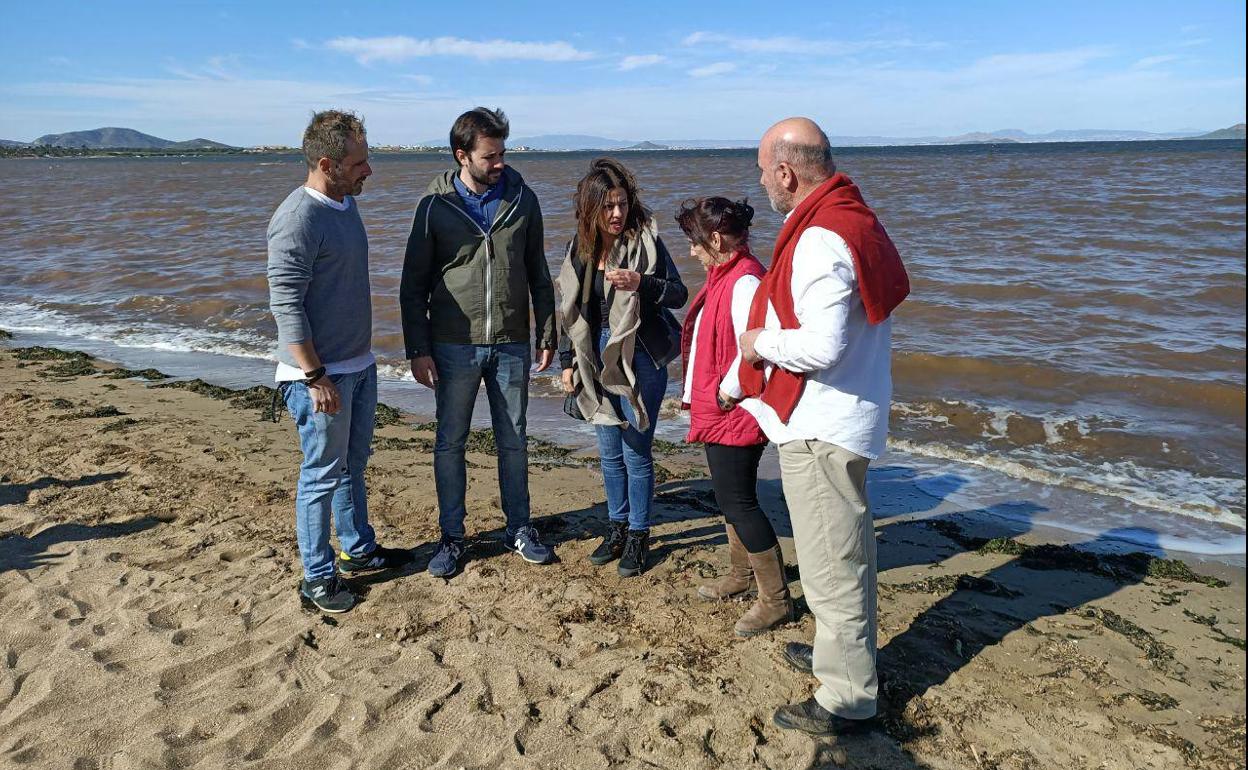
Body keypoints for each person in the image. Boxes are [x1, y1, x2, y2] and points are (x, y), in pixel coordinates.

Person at [734, 117, 910, 736]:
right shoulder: (853, 217)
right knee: (844, 554)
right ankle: (840, 657)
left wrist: (757, 343)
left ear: (786, 172)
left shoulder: (819, 236)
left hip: (824, 422)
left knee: (832, 564)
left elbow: (822, 345)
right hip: (848, 411)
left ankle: (846, 697)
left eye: (763, 170)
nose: (761, 181)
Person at [267, 109, 414, 614]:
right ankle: (317, 576)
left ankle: (357, 548)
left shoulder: (345, 204)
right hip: (318, 376)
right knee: (321, 474)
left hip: (357, 364)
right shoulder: (297, 218)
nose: (368, 170)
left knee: (353, 465)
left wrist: (360, 363)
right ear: (327, 165)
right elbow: (285, 304)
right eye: (359, 163)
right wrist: (315, 376)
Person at [400, 107, 557, 578]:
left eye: (502, 153)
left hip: (511, 341)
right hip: (453, 345)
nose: (499, 163)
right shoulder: (434, 206)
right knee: (450, 442)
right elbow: (413, 285)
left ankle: (520, 528)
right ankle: (452, 537)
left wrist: (547, 332)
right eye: (490, 156)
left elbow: (539, 273)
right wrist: (418, 349)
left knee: (514, 440)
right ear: (461, 155)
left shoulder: (522, 199)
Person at [557, 158, 688, 577]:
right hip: (593, 355)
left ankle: (638, 533)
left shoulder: (646, 243)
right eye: (608, 206)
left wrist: (641, 283)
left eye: (623, 204)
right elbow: (570, 310)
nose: (617, 213)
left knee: (636, 451)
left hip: (639, 355)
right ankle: (616, 527)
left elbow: (678, 294)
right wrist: (567, 362)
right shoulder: (580, 247)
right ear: (590, 207)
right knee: (609, 451)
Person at [675, 196, 793, 637]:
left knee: (740, 503)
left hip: (736, 409)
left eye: (695, 242)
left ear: (716, 239)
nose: (691, 250)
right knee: (730, 499)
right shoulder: (725, 275)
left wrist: (726, 394)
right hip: (721, 407)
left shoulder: (744, 281)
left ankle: (776, 600)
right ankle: (740, 575)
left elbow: (754, 349)